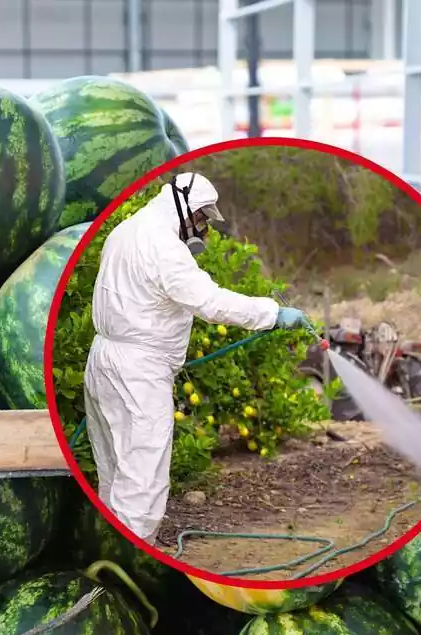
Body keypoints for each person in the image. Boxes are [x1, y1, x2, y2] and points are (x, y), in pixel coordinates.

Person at [83, 172, 311, 545]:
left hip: (105, 360)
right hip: (139, 370)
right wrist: (273, 314)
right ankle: (138, 554)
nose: (203, 229)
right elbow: (211, 301)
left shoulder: (127, 229)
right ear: (183, 207)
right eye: (202, 219)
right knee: (143, 471)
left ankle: (113, 548)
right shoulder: (165, 248)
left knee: (115, 467)